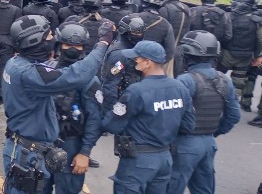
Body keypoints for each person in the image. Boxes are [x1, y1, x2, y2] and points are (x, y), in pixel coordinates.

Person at [2, 15, 114, 193]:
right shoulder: (31, 73)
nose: (51, 39)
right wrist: (103, 43)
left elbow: (94, 118)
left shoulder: (15, 63)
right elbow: (77, 74)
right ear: (35, 41)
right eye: (48, 36)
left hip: (36, 146)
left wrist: (84, 151)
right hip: (30, 153)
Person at [102, 41, 195, 193]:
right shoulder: (180, 88)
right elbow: (188, 125)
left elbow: (112, 124)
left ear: (148, 62)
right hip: (165, 158)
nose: (133, 63)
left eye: (136, 59)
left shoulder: (136, 91)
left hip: (138, 160)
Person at [166, 30, 240, 194]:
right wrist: (214, 131)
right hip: (208, 144)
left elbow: (171, 116)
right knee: (204, 189)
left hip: (184, 143)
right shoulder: (224, 80)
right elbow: (234, 115)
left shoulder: (186, 80)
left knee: (171, 187)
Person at [49, 22, 103, 194]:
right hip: (44, 141)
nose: (72, 49)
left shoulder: (89, 81)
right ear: (59, 45)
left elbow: (95, 119)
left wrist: (85, 152)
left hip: (71, 144)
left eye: (77, 45)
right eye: (68, 44)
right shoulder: (47, 70)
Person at [217, 0, 262, 112]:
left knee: (217, 77)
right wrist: (258, 56)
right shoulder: (256, 21)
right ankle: (231, 106)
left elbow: (220, 35)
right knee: (237, 83)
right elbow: (260, 40)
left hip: (226, 54)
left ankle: (214, 100)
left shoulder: (227, 17)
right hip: (245, 57)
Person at [101, 15, 147, 112]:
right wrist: (112, 111)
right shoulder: (119, 55)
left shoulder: (134, 48)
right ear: (124, 31)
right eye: (135, 32)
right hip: (121, 102)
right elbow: (110, 85)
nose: (139, 35)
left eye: (141, 32)